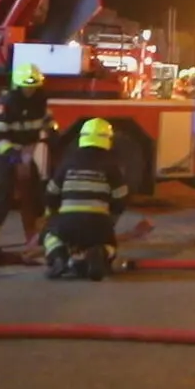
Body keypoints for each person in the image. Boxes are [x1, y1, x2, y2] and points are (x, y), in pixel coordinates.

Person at [0, 62, 55, 256]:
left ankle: (38, 237)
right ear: (17, 86)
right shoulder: (7, 104)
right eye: (27, 87)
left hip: (26, 154)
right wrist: (13, 155)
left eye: (33, 86)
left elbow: (48, 121)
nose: (30, 90)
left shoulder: (40, 101)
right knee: (3, 197)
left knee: (36, 195)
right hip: (6, 156)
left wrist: (53, 133)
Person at [41, 118, 129, 281]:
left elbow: (51, 192)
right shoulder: (112, 164)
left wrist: (53, 217)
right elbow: (121, 196)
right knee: (111, 246)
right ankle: (100, 252)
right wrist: (111, 220)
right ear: (107, 139)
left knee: (50, 238)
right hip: (99, 222)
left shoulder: (67, 161)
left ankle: (59, 258)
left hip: (68, 221)